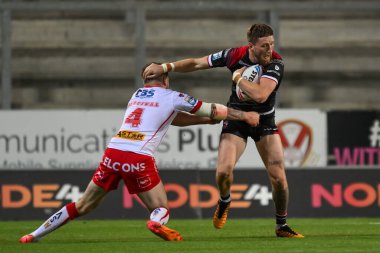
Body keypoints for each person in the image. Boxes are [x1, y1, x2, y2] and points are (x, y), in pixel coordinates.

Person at [19, 63, 260, 243]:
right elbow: (212, 109)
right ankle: (156, 223)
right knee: (161, 207)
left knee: (83, 204)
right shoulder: (173, 96)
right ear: (165, 79)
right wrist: (244, 115)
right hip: (139, 157)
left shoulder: (136, 95)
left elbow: (170, 120)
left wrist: (202, 122)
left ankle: (34, 235)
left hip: (114, 152)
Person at [143, 24, 304, 238]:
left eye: (272, 44)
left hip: (264, 121)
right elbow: (197, 63)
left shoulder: (275, 62)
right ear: (251, 46)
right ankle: (225, 200)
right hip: (236, 119)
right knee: (223, 172)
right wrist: (166, 67)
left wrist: (238, 78)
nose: (269, 49)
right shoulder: (233, 55)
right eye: (264, 45)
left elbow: (260, 96)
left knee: (279, 178)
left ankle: (281, 225)